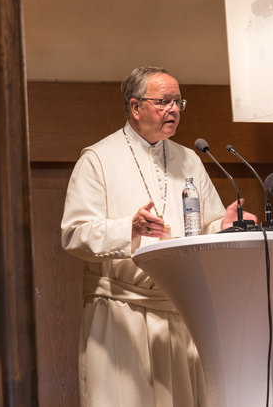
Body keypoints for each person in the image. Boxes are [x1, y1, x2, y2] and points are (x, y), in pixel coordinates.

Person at [61, 67, 257, 407]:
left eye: (179, 102)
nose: (174, 109)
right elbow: (74, 234)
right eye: (164, 102)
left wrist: (223, 227)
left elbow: (202, 228)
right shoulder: (98, 159)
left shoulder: (189, 160)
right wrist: (130, 228)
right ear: (135, 107)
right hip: (121, 314)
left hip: (179, 312)